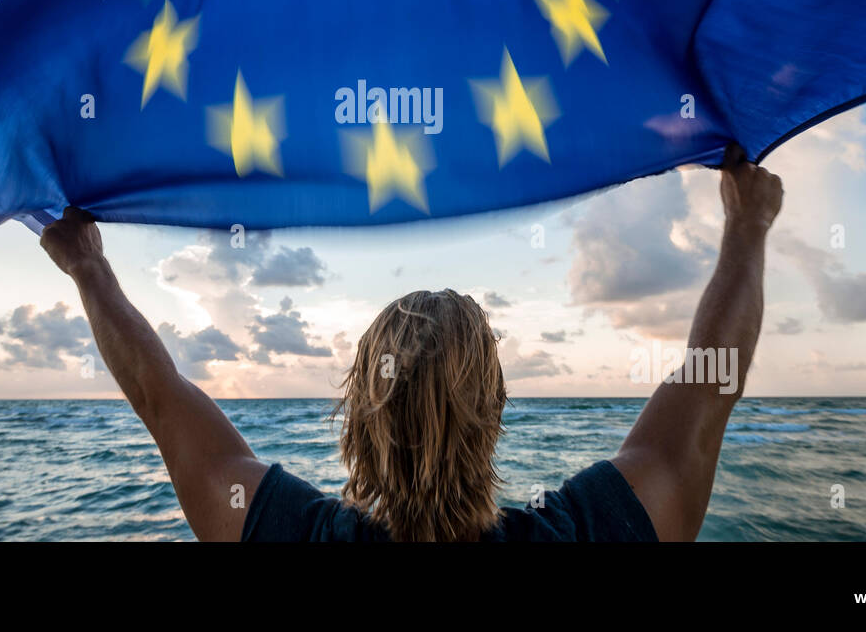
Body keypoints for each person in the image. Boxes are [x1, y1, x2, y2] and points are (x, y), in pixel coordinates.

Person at [40, 144, 782, 541]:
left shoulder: (281, 532)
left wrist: (89, 269)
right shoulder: (593, 530)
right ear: (496, 412)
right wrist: (747, 226)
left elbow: (160, 395)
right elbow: (709, 386)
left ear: (357, 416)